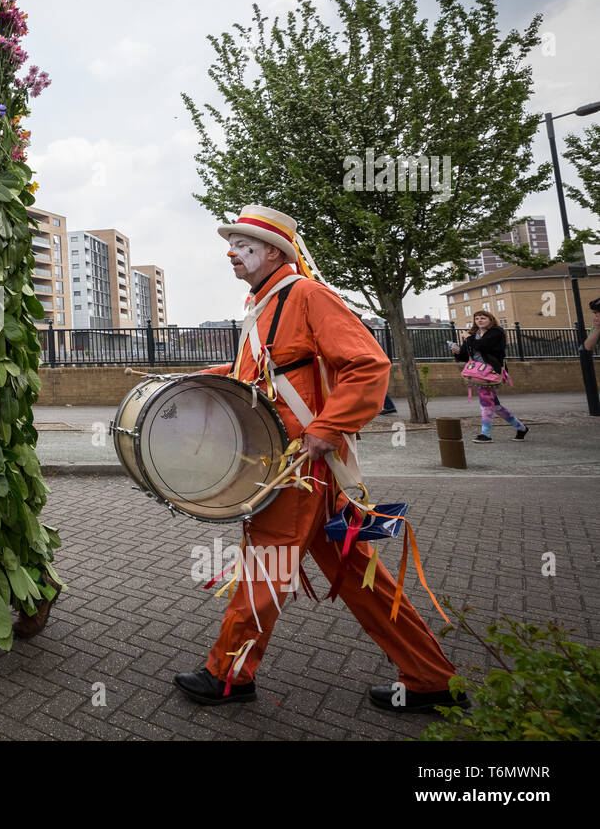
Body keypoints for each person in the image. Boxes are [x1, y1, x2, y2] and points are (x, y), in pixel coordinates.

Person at [173, 205, 465, 713]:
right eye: (232, 245)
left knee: (267, 562)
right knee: (359, 574)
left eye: (243, 246)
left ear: (273, 252)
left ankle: (229, 675)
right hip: (296, 465)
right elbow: (262, 373)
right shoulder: (261, 304)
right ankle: (431, 678)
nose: (231, 253)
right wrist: (206, 377)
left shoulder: (305, 295)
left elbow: (369, 365)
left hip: (301, 469)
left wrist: (326, 429)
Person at [449, 310, 527, 443]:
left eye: (483, 318)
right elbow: (464, 356)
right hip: (477, 372)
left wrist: (468, 338)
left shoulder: (496, 332)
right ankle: (521, 428)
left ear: (490, 319)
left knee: (486, 402)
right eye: (477, 318)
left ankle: (485, 434)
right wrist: (457, 351)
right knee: (495, 405)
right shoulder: (474, 335)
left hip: (491, 372)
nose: (479, 320)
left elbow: (484, 347)